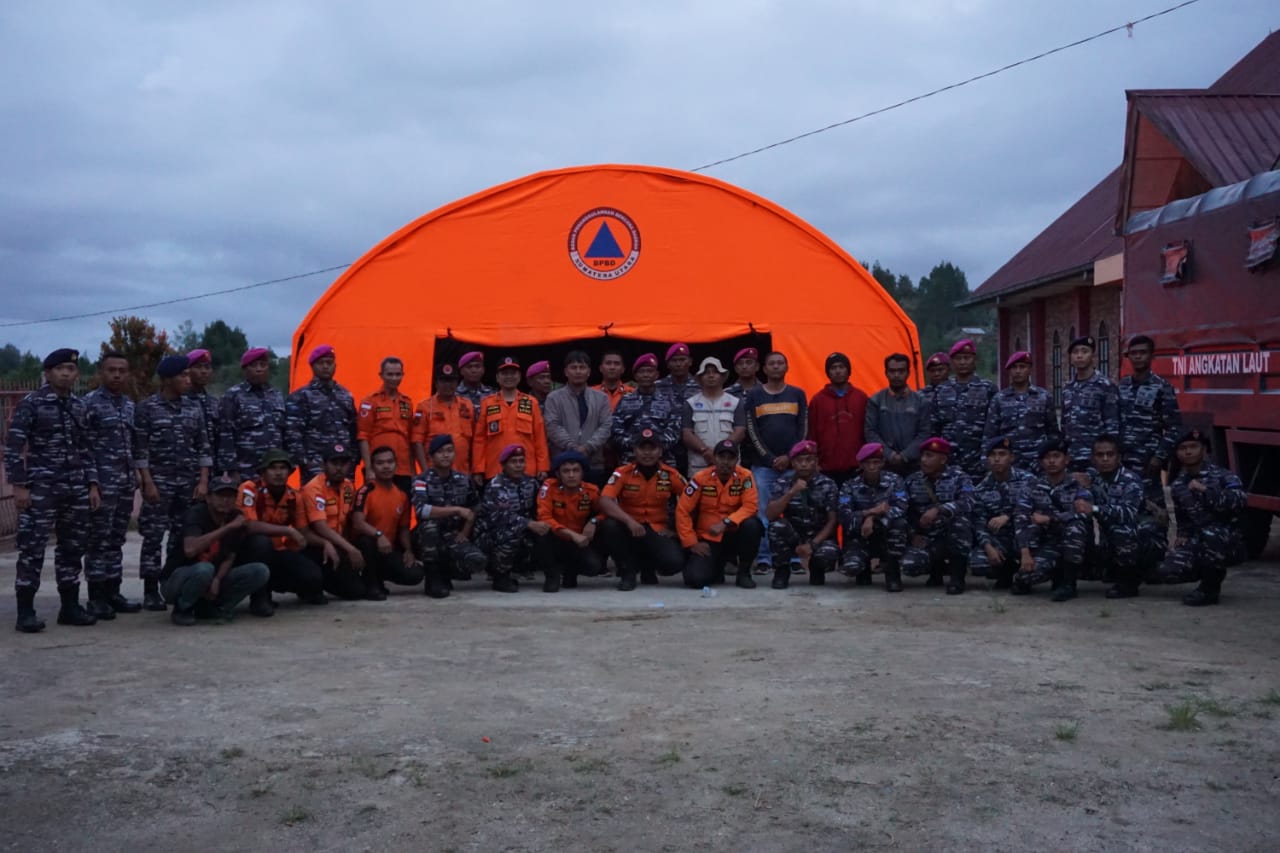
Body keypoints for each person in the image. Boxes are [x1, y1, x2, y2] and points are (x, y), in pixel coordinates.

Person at [6, 348, 101, 633]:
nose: (66, 373)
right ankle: (25, 611)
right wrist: (19, 486)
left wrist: (92, 484)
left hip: (75, 488)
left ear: (77, 374)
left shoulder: (79, 406)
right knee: (32, 549)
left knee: (73, 548)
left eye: (71, 369)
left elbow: (87, 448)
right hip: (41, 488)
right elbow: (13, 447)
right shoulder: (31, 404)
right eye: (60, 369)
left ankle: (69, 608)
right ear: (48, 373)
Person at [136, 354, 212, 612]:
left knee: (181, 536)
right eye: (183, 376)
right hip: (159, 483)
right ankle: (149, 590)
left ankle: (172, 582)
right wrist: (148, 482)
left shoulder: (193, 408)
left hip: (188, 483)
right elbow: (141, 450)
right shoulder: (147, 408)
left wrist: (203, 481)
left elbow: (203, 446)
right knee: (153, 537)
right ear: (167, 379)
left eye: (188, 375)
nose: (187, 380)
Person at [161, 472, 270, 626]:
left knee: (260, 571)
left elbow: (230, 556)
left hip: (211, 576)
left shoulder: (235, 517)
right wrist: (227, 528)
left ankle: (214, 607)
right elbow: (190, 550)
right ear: (208, 498)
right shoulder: (197, 514)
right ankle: (182, 608)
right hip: (177, 580)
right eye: (220, 495)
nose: (225, 500)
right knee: (204, 569)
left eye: (230, 496)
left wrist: (217, 580)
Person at [1155, 429, 1246, 606]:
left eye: (1193, 447)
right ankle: (1206, 570)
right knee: (1166, 571)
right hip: (1199, 539)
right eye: (1183, 448)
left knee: (1212, 534)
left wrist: (1207, 491)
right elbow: (1183, 517)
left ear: (1204, 450)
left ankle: (1210, 588)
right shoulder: (1178, 484)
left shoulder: (1224, 476)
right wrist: (1182, 535)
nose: (1188, 452)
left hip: (1229, 540)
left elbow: (1240, 501)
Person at [82, 351, 142, 619]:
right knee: (98, 541)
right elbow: (85, 448)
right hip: (102, 485)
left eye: (122, 370)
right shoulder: (89, 405)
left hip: (125, 483)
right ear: (101, 373)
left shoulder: (129, 405)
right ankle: (96, 597)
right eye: (111, 370)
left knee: (117, 539)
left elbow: (133, 444)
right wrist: (92, 484)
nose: (117, 375)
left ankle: (113, 592)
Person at [597, 428, 687, 590]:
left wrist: (676, 530)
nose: (647, 453)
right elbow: (605, 501)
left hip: (657, 528)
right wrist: (629, 521)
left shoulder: (671, 475)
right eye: (642, 448)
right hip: (629, 528)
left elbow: (691, 501)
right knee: (610, 525)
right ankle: (627, 572)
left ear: (660, 451)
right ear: (634, 451)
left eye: (652, 448)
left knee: (673, 563)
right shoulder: (622, 473)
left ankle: (648, 567)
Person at [236, 448, 327, 609]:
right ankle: (260, 598)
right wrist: (288, 531)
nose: (278, 473)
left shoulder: (294, 496)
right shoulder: (249, 489)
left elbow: (303, 532)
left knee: (312, 576)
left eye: (283, 468)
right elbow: (249, 526)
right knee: (260, 542)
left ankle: (300, 589)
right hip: (245, 553)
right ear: (263, 472)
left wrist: (326, 543)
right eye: (273, 468)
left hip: (277, 552)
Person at [744, 351, 809, 574]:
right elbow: (752, 431)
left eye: (780, 363)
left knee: (794, 511)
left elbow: (803, 428)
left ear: (787, 367)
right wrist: (770, 459)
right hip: (763, 467)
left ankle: (792, 557)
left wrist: (791, 457)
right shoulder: (754, 396)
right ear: (764, 368)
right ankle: (764, 558)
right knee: (763, 512)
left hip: (793, 466)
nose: (776, 366)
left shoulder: (797, 394)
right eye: (771, 363)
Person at [1079, 434, 1159, 600]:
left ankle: (1129, 582)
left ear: (1119, 457)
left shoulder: (1130, 480)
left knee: (1120, 529)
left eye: (1110, 454)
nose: (1105, 459)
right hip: (1112, 537)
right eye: (1100, 455)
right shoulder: (1094, 479)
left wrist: (1093, 508)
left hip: (1143, 536)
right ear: (1093, 458)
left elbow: (1127, 513)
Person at [676, 440, 763, 589]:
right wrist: (691, 543)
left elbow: (750, 506)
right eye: (722, 457)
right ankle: (717, 567)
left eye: (731, 458)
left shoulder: (745, 476)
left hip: (734, 534)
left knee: (753, 525)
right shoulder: (700, 478)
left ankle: (743, 573)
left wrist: (726, 523)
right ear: (714, 458)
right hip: (709, 537)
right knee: (695, 579)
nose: (726, 462)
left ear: (737, 460)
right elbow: (682, 510)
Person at [1013, 438, 1090, 601]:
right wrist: (1025, 552)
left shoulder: (1078, 485)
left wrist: (1050, 519)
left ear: (1066, 459)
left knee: (1075, 526)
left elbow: (1083, 514)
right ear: (1041, 462)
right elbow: (1020, 517)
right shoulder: (1032, 486)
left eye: (1056, 456)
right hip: (1047, 544)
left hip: (1075, 544)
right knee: (1025, 579)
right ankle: (1055, 572)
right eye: (1047, 457)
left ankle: (1069, 584)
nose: (1052, 461)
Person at [411, 435, 487, 598]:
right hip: (426, 537)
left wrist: (465, 532)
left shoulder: (463, 480)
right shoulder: (421, 480)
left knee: (477, 561)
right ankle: (432, 579)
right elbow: (422, 510)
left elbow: (475, 507)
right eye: (440, 452)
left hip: (452, 534)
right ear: (431, 457)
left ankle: (447, 573)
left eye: (449, 451)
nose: (446, 455)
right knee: (429, 527)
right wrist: (456, 510)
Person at [900, 437, 973, 595]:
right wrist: (912, 534)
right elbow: (902, 510)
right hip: (926, 537)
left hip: (951, 534)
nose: (924, 460)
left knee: (961, 522)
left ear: (943, 459)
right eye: (923, 456)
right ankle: (935, 571)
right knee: (909, 566)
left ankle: (957, 577)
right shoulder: (912, 480)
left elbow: (968, 502)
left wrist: (939, 509)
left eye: (929, 456)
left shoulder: (960, 477)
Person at [1118, 334, 1182, 514]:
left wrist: (1159, 456)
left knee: (1152, 513)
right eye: (1133, 353)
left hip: (1148, 462)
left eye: (1143, 353)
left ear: (1152, 356)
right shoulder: (1122, 386)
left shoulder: (1161, 387)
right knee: (1125, 509)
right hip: (1123, 461)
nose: (1138, 357)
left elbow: (1175, 427)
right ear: (1128, 356)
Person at [350, 445, 424, 599]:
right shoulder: (365, 491)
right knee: (366, 542)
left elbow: (404, 528)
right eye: (380, 463)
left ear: (396, 465)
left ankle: (379, 576)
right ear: (372, 467)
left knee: (415, 575)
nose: (386, 466)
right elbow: (358, 523)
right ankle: (371, 585)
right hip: (365, 547)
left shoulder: (401, 495)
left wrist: (408, 551)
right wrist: (378, 535)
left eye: (390, 462)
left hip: (387, 549)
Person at [765, 440, 839, 589]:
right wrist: (791, 492)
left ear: (816, 461)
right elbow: (770, 515)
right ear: (792, 463)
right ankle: (782, 570)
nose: (804, 464)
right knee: (776, 526)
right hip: (794, 535)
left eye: (809, 460)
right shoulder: (783, 482)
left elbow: (832, 521)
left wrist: (812, 545)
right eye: (799, 461)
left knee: (829, 553)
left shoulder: (828, 484)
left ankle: (816, 567)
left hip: (818, 537)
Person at [474, 444, 549, 592]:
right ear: (503, 465)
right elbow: (500, 517)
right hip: (492, 533)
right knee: (510, 532)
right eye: (513, 462)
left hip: (523, 528)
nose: (518, 465)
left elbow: (538, 507)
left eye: (521, 461)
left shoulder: (531, 482)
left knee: (546, 532)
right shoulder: (496, 486)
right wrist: (529, 524)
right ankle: (500, 576)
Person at [838, 443, 909, 591]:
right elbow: (845, 515)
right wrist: (872, 512)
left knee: (899, 524)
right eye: (868, 463)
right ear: (861, 464)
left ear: (883, 463)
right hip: (861, 534)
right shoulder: (850, 485)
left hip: (886, 532)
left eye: (876, 462)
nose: (872, 467)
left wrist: (873, 518)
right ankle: (863, 572)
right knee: (852, 568)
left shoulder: (895, 481)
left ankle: (893, 574)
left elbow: (901, 508)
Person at [299, 443, 365, 600]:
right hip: (314, 546)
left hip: (339, 544)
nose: (339, 468)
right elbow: (320, 527)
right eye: (334, 463)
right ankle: (311, 586)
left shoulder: (349, 487)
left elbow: (349, 521)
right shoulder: (313, 488)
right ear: (324, 465)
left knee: (358, 591)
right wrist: (350, 549)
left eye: (343, 464)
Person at [967, 436, 1033, 590]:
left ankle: (1027, 573)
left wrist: (1008, 516)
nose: (997, 459)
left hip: (1028, 539)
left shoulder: (1028, 480)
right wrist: (988, 547)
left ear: (1011, 457)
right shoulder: (981, 488)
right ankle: (1006, 570)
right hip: (1000, 539)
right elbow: (979, 522)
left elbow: (1038, 509)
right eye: (993, 455)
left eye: (1002, 454)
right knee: (978, 562)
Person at [535, 451, 606, 592]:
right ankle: (552, 575)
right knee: (541, 529)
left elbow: (606, 511)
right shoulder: (549, 487)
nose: (571, 475)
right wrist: (571, 534)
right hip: (556, 538)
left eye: (576, 470)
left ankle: (570, 571)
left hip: (579, 541)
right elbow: (544, 516)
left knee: (593, 567)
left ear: (582, 473)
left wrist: (594, 521)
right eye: (566, 471)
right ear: (558, 474)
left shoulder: (591, 491)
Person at [285, 344, 358, 482]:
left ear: (335, 366)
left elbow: (354, 430)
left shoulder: (345, 395)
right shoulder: (301, 397)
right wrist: (305, 462)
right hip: (315, 467)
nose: (325, 366)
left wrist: (353, 460)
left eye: (329, 363)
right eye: (321, 363)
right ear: (312, 366)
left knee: (345, 502)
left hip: (344, 465)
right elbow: (293, 435)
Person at [473, 356, 551, 484]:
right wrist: (478, 469)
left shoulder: (531, 402)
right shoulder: (487, 403)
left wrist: (543, 467)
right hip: (495, 469)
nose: (509, 377)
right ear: (497, 378)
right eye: (504, 373)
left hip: (526, 469)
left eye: (513, 373)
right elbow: (479, 440)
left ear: (519, 377)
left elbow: (540, 438)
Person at [217, 347, 286, 482]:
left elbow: (284, 432)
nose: (259, 369)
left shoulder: (276, 395)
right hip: (246, 470)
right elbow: (225, 434)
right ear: (245, 370)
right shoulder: (233, 396)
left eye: (263, 365)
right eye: (254, 366)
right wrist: (231, 469)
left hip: (274, 471)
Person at [543, 350, 613, 485]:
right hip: (563, 464)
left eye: (582, 367)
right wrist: (573, 447)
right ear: (566, 372)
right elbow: (552, 426)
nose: (578, 371)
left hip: (594, 463)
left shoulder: (601, 398)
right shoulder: (554, 398)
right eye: (574, 367)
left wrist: (588, 447)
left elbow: (606, 426)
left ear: (588, 372)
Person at [983, 351, 1059, 473]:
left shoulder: (1044, 397)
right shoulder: (999, 398)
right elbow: (990, 433)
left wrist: (1050, 458)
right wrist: (987, 460)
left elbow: (1053, 432)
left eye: (1022, 367)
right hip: (1009, 462)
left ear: (1030, 369)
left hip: (1037, 461)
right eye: (1014, 367)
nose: (1018, 371)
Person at [931, 339, 997, 480]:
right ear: (952, 362)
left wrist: (988, 456)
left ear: (975, 360)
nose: (962, 362)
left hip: (977, 458)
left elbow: (993, 426)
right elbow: (934, 426)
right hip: (948, 459)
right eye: (958, 359)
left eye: (966, 358)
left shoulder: (987, 388)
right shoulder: (942, 389)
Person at [806, 351, 868, 486]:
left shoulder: (861, 397)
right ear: (828, 372)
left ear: (848, 370)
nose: (838, 371)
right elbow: (811, 434)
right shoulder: (818, 400)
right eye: (833, 368)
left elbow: (868, 431)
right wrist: (814, 462)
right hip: (826, 468)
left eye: (841, 367)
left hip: (857, 467)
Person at [1061, 335, 1120, 475]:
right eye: (1075, 352)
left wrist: (1109, 456)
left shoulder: (1105, 386)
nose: (1079, 356)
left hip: (1097, 457)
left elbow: (1112, 425)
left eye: (1084, 351)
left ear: (1093, 356)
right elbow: (1064, 425)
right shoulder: (1068, 388)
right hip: (1072, 456)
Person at [865, 353, 930, 477]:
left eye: (901, 371)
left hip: (914, 466)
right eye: (892, 371)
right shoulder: (875, 401)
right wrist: (889, 454)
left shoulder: (921, 402)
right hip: (884, 466)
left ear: (908, 373)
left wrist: (905, 455)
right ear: (886, 373)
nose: (896, 375)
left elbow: (924, 433)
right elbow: (870, 432)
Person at [357, 356, 415, 492]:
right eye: (390, 374)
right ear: (381, 375)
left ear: (403, 375)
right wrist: (369, 468)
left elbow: (410, 438)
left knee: (403, 508)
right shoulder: (370, 401)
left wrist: (413, 470)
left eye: (398, 374)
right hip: (379, 468)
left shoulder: (407, 402)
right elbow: (363, 436)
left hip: (403, 469)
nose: (394, 378)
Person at [610, 353, 681, 463]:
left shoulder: (669, 401)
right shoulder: (625, 400)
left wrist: (654, 447)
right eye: (642, 372)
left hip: (663, 461)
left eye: (649, 371)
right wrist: (637, 446)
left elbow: (675, 431)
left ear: (657, 375)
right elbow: (615, 429)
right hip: (631, 460)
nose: (645, 375)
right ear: (635, 376)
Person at [682, 356, 745, 478]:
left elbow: (740, 431)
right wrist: (705, 451)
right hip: (700, 465)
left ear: (722, 377)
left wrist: (721, 452)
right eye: (706, 373)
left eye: (715, 372)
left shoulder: (735, 402)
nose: (711, 376)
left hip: (730, 464)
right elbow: (687, 434)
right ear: (700, 378)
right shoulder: (690, 403)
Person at [412, 361, 476, 475]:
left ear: (457, 383)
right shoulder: (425, 407)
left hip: (462, 472)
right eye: (444, 381)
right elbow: (417, 441)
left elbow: (475, 442)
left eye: (451, 381)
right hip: (434, 472)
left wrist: (475, 470)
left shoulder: (467, 406)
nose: (448, 385)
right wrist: (425, 471)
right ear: (436, 383)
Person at [186, 348, 219, 456]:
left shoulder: (215, 403)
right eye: (198, 367)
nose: (204, 371)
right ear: (188, 370)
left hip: (213, 467)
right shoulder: (179, 401)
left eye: (207, 367)